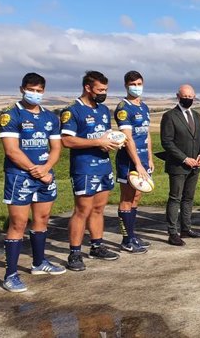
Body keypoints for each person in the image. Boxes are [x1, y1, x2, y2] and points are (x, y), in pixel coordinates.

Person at [0, 73, 65, 292]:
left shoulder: (50, 117)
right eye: (31, 89)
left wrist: (45, 170)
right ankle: (10, 275)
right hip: (20, 176)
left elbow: (56, 148)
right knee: (18, 223)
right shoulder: (10, 114)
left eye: (39, 90)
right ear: (22, 89)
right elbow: (11, 150)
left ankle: (39, 263)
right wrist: (35, 171)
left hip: (45, 175)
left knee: (43, 219)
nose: (35, 94)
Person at [61, 71, 122, 271]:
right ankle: (75, 252)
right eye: (100, 90)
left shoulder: (103, 110)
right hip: (84, 168)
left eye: (106, 90)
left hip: (104, 165)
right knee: (82, 210)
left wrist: (111, 143)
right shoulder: (72, 111)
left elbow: (105, 136)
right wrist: (97, 142)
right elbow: (67, 140)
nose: (103, 93)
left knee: (99, 208)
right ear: (88, 88)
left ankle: (97, 245)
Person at [159, 84, 200, 246]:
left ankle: (186, 228)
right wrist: (184, 158)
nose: (188, 99)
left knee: (188, 198)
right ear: (178, 96)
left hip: (195, 165)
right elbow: (167, 142)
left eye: (191, 97)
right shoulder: (170, 116)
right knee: (175, 198)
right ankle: (172, 232)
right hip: (178, 165)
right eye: (185, 97)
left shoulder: (197, 115)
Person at [113, 71, 153, 254]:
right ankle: (126, 239)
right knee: (127, 198)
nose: (136, 87)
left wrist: (149, 158)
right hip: (129, 161)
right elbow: (128, 139)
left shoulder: (144, 107)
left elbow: (146, 135)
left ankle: (133, 234)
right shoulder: (124, 108)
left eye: (139, 83)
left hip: (143, 159)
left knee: (137, 196)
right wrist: (137, 164)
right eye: (133, 84)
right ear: (126, 85)